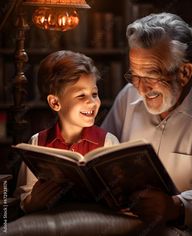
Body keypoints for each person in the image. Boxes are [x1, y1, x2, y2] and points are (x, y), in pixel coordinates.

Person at [101, 12, 192, 235]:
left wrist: (175, 206)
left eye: (151, 75)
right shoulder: (129, 96)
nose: (141, 89)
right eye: (135, 75)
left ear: (184, 72)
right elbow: (102, 155)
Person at [15, 50, 119, 213]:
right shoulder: (37, 143)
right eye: (80, 96)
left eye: (94, 94)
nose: (92, 102)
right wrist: (33, 201)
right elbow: (24, 199)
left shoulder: (108, 142)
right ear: (55, 102)